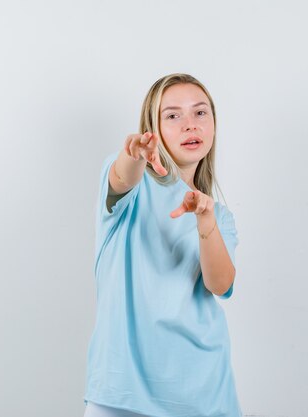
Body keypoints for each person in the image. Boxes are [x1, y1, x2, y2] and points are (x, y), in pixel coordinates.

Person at [82, 73, 242, 417]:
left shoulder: (220, 217)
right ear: (151, 128)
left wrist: (204, 220)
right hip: (120, 394)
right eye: (173, 115)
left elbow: (221, 283)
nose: (190, 125)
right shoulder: (132, 186)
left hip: (205, 396)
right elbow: (123, 176)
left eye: (200, 113)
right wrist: (135, 154)